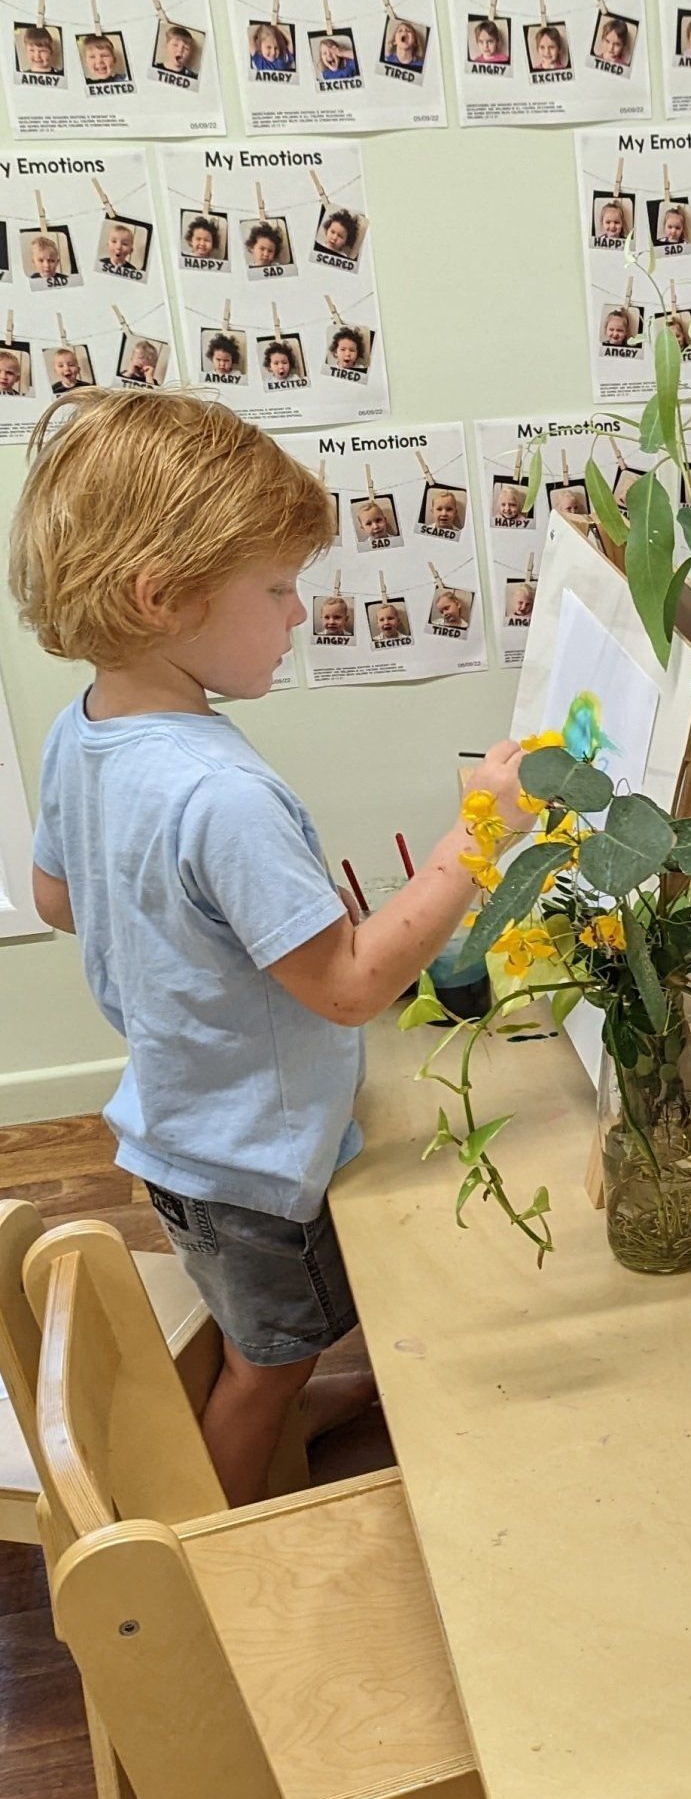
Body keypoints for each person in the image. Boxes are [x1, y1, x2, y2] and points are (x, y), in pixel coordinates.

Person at [10, 390, 533, 1503]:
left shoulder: (83, 726)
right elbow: (348, 989)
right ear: (161, 598)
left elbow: (55, 894)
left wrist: (189, 925)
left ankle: (301, 1387)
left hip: (180, 1125)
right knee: (267, 1356)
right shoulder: (221, 791)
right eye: (279, 589)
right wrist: (483, 826)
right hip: (253, 1165)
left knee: (281, 1322)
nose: (301, 614)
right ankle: (218, 1547)